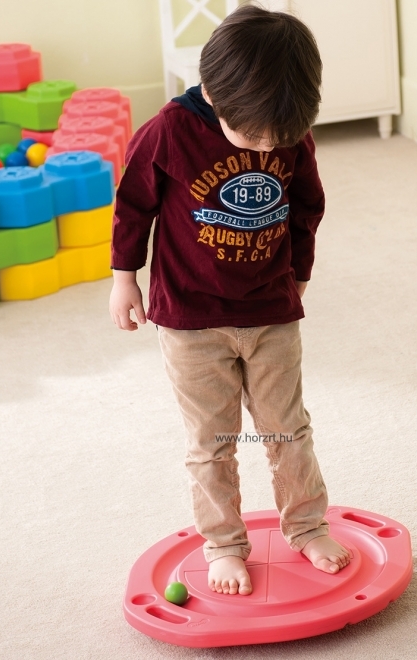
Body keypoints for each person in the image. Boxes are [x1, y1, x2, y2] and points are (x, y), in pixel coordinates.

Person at [109, 2, 352, 596]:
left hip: (271, 310)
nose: (269, 149)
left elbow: (307, 208)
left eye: (280, 140)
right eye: (254, 138)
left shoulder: (285, 129)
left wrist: (299, 275)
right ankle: (222, 544)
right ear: (215, 94)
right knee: (212, 442)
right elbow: (133, 206)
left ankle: (307, 526)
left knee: (288, 430)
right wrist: (124, 277)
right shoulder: (169, 131)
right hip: (190, 318)